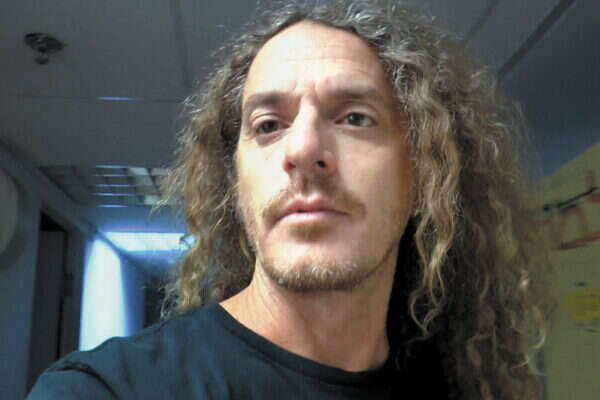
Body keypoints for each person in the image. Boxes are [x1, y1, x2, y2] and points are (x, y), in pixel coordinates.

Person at [28, 1, 553, 399]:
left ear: (423, 180)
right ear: (237, 186)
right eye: (268, 125)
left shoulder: (455, 389)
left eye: (355, 118)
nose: (302, 150)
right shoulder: (103, 391)